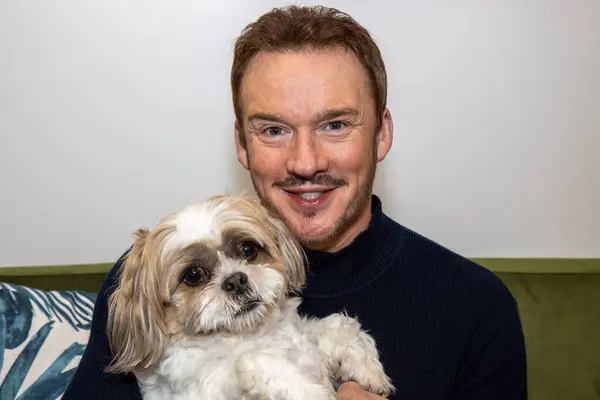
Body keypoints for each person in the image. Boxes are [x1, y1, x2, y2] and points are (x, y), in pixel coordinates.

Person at [63, 5, 527, 399]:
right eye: (273, 130)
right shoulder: (143, 280)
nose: (305, 162)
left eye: (335, 125)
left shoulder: (476, 305)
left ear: (381, 134)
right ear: (242, 144)